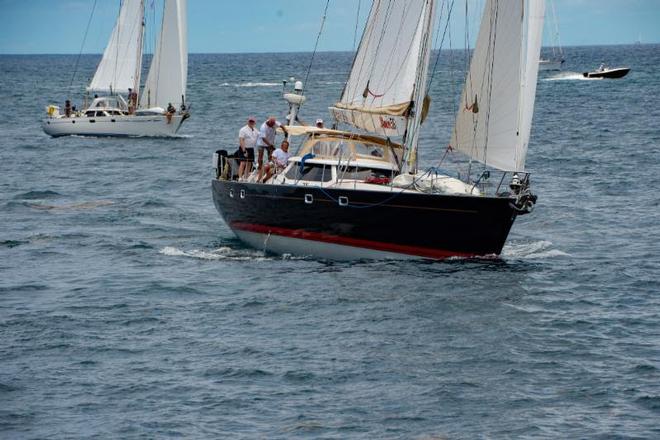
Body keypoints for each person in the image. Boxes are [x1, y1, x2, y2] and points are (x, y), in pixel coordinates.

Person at [256, 116, 287, 181]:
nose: (273, 125)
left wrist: (285, 131)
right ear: (269, 122)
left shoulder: (274, 122)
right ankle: (259, 169)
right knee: (260, 157)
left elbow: (281, 125)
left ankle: (269, 168)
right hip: (262, 143)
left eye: (274, 124)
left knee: (271, 156)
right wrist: (270, 145)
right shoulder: (263, 127)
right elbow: (263, 139)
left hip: (270, 142)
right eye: (272, 124)